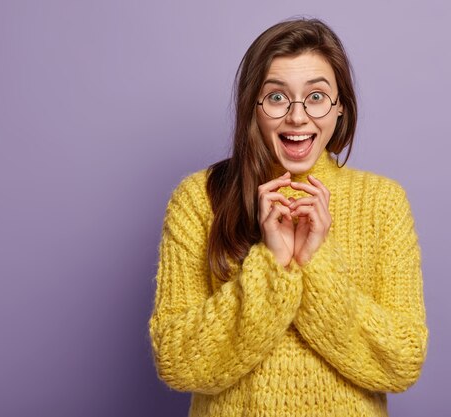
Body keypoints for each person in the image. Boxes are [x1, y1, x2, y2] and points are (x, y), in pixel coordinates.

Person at [148, 18, 428, 417]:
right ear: (253, 107)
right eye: (277, 98)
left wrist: (313, 264)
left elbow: (402, 362)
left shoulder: (383, 202)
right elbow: (176, 361)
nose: (297, 117)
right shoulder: (200, 198)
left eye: (316, 96)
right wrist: (272, 264)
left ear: (340, 108)